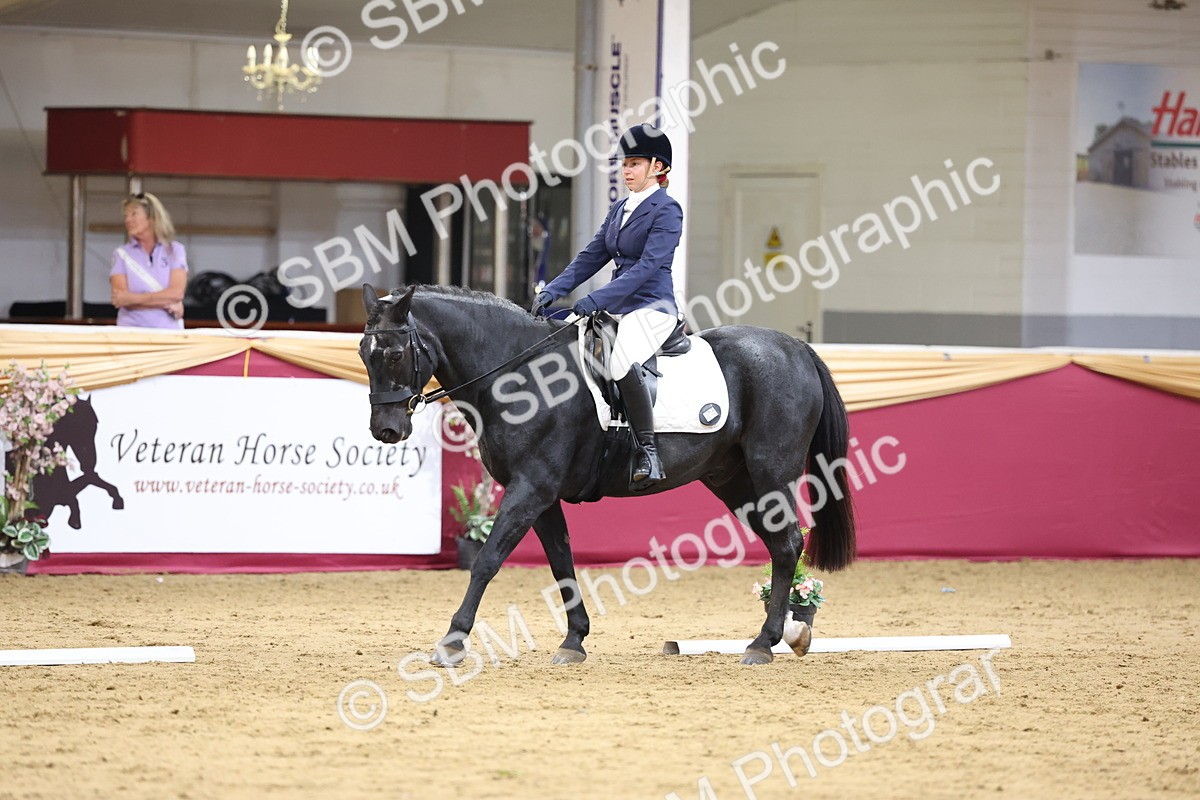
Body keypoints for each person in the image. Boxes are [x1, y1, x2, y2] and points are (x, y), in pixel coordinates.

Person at [531, 123, 683, 491]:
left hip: (652, 306)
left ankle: (648, 451)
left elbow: (648, 268)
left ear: (658, 168)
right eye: (624, 164)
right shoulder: (620, 209)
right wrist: (554, 289)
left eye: (634, 163)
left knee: (618, 361)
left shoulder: (667, 210)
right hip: (618, 305)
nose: (626, 170)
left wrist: (596, 299)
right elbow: (592, 255)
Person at [109, 192, 187, 328]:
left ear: (151, 217)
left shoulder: (175, 250)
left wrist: (134, 298)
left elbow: (177, 292)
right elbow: (120, 298)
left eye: (134, 214)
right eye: (126, 216)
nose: (128, 220)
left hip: (168, 332)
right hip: (131, 331)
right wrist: (165, 301)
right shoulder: (120, 254)